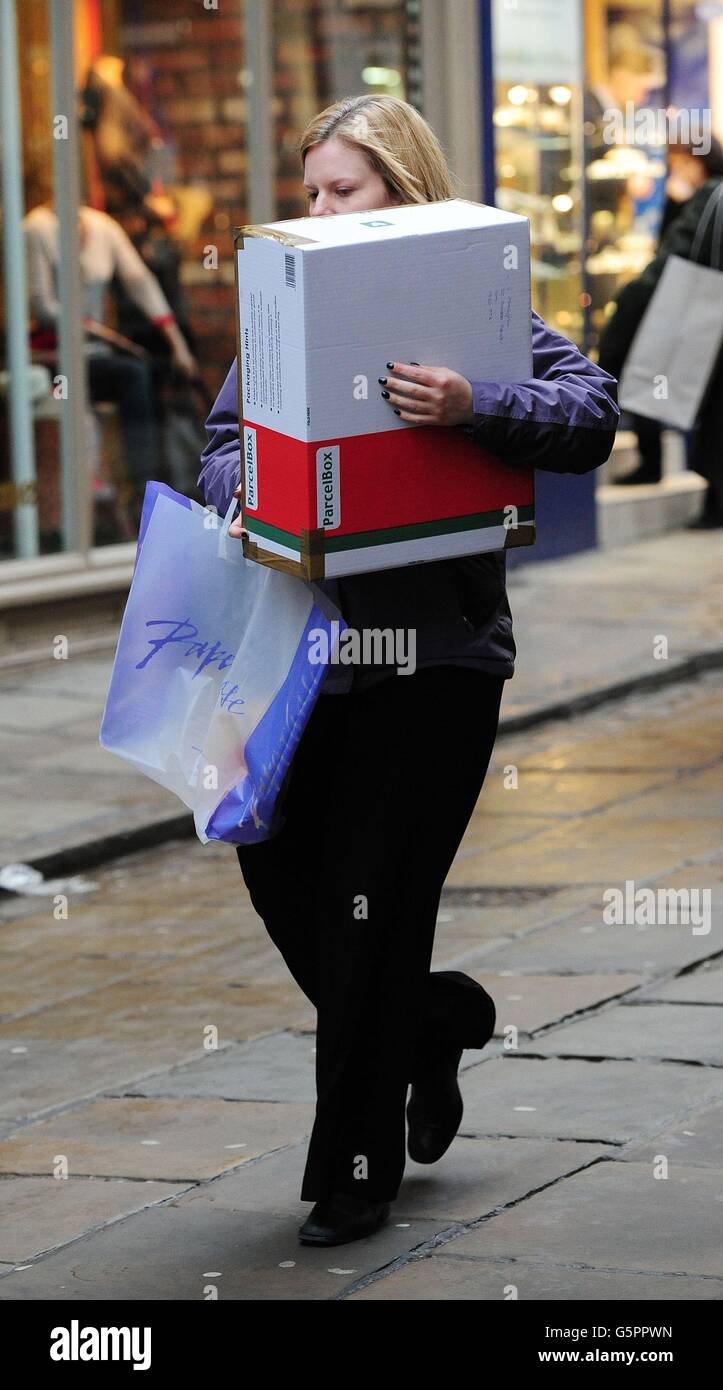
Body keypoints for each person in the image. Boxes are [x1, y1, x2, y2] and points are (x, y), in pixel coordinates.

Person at [198, 95, 619, 1247]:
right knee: (283, 877)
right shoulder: (283, 313)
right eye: (314, 189)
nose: (320, 209)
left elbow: (593, 412)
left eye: (345, 189)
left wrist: (473, 400)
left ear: (403, 190)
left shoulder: (472, 315)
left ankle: (355, 1170)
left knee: (368, 907)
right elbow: (224, 439)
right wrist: (236, 487)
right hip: (307, 659)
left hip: (433, 663)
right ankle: (431, 1023)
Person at [23, 191, 197, 521]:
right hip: (51, 352)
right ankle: (141, 488)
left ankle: (153, 489)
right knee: (132, 374)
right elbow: (42, 305)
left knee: (149, 371)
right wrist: (94, 329)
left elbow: (139, 280)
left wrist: (177, 343)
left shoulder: (102, 226)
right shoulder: (37, 227)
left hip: (93, 353)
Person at [598, 167, 723, 526]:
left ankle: (709, 497)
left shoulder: (712, 196)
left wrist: (637, 297)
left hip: (703, 315)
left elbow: (678, 252)